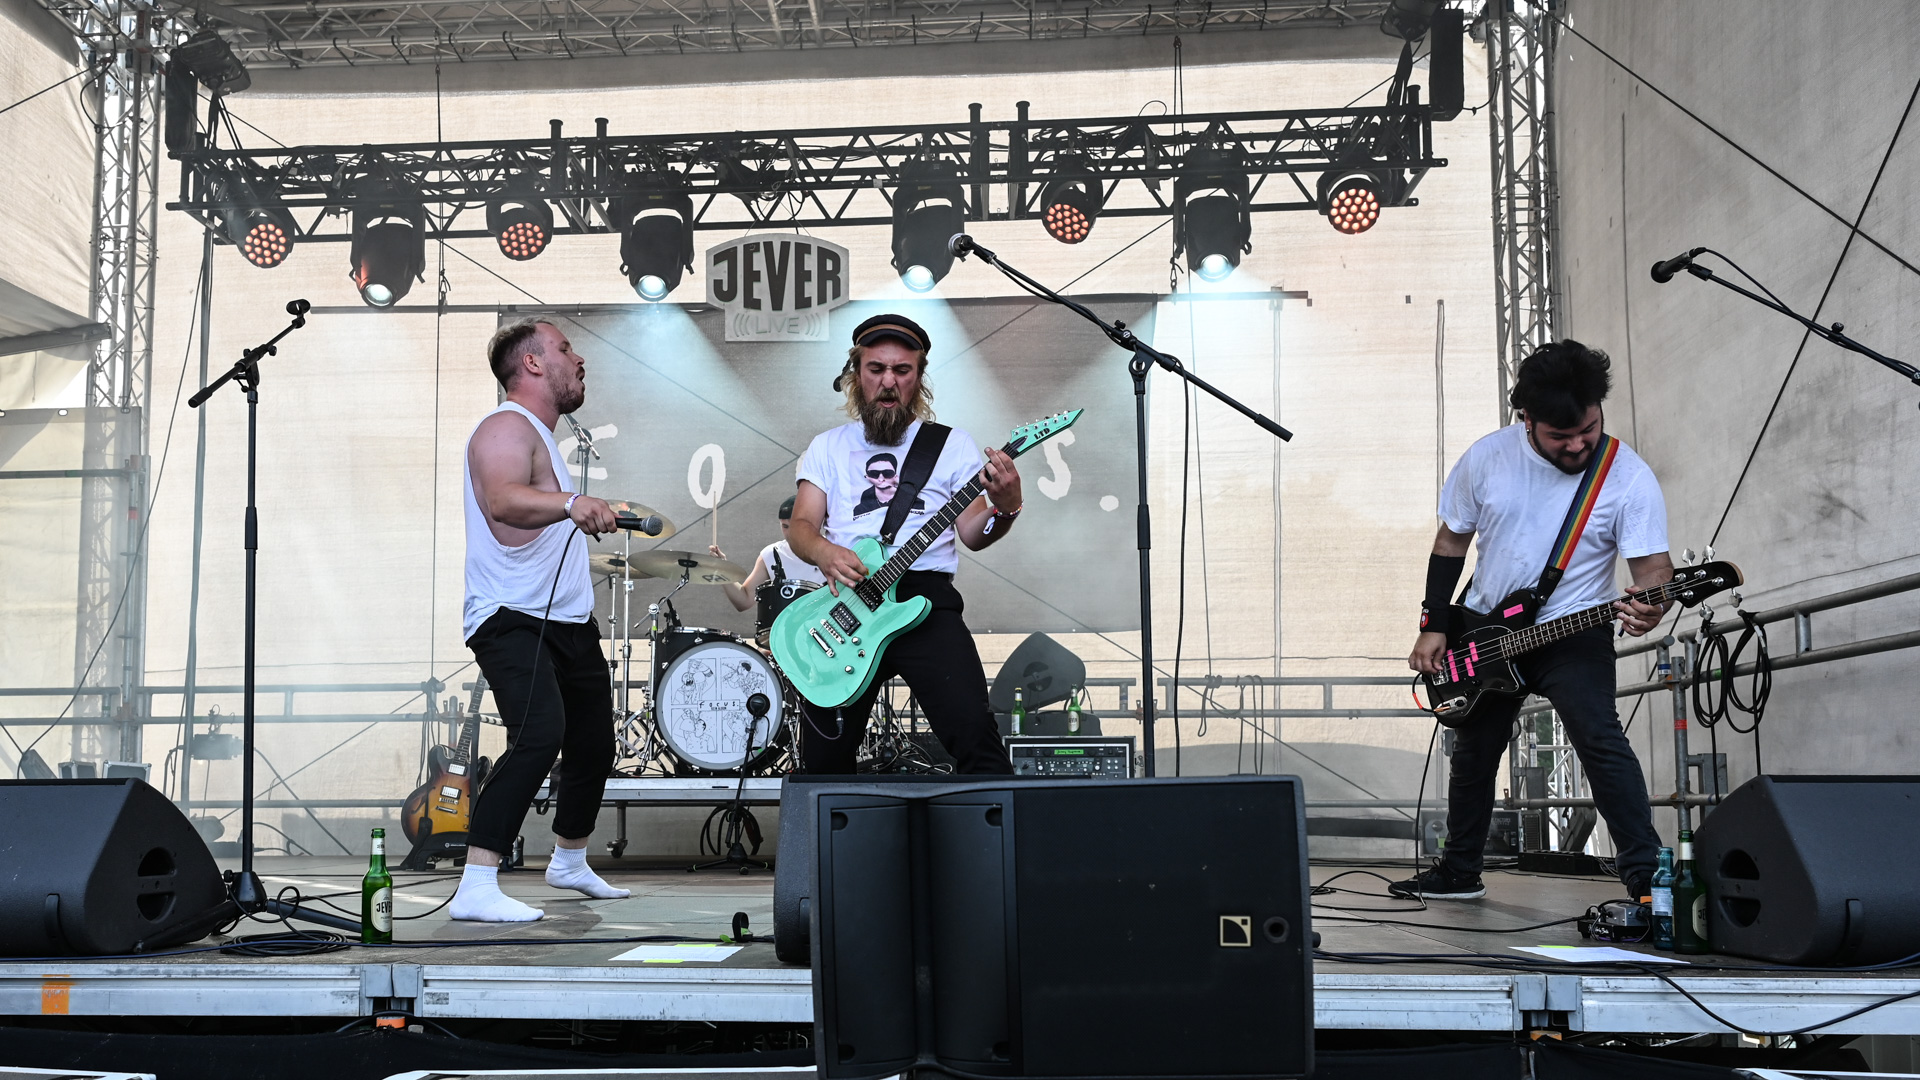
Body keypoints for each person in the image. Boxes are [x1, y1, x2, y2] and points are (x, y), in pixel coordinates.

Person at [1397, 339, 1670, 903]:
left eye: (1588, 429)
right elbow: (1451, 542)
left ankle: (1647, 880)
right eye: (1560, 435)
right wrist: (1435, 622)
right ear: (1526, 418)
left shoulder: (1627, 476)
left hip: (1573, 629)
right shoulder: (1487, 458)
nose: (1577, 444)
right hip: (1485, 627)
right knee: (1474, 753)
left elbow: (1652, 570)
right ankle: (1460, 871)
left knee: (1598, 738)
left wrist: (1653, 603)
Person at [783, 313, 1021, 775]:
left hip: (924, 601)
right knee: (823, 761)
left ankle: (992, 820)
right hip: (847, 602)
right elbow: (802, 526)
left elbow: (974, 534)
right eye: (876, 369)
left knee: (976, 737)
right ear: (856, 374)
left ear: (919, 377)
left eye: (902, 370)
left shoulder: (951, 445)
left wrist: (1006, 508)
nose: (888, 382)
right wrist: (826, 552)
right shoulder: (828, 447)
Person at [451, 318, 632, 922]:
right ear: (531, 363)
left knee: (593, 742)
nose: (579, 359)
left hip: (565, 621)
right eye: (564, 348)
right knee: (539, 734)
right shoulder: (505, 425)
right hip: (511, 615)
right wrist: (572, 503)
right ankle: (477, 883)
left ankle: (570, 860)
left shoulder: (542, 437)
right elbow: (503, 501)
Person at [710, 494, 829, 617]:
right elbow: (744, 600)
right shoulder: (772, 554)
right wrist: (722, 569)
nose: (790, 533)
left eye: (795, 526)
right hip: (785, 627)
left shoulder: (833, 551)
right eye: (785, 526)